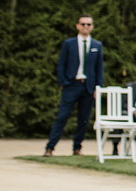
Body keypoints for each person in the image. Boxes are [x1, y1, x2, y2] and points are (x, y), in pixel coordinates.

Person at [44, 15, 104, 157]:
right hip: (71, 85)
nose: (86, 27)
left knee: (84, 119)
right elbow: (61, 64)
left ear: (92, 26)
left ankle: (77, 148)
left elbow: (99, 68)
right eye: (83, 24)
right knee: (62, 116)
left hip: (88, 87)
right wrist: (63, 82)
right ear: (77, 26)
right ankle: (50, 147)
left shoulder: (97, 45)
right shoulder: (68, 44)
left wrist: (98, 87)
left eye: (88, 24)